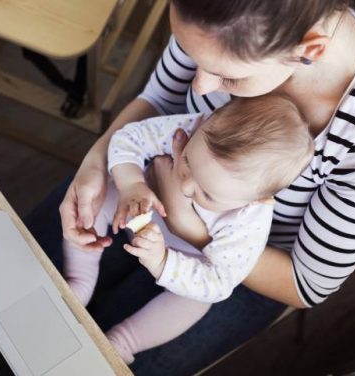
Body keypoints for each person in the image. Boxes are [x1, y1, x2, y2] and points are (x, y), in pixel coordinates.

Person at [24, 0, 355, 374]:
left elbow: (306, 283)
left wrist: (188, 224)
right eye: (190, 54)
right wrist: (95, 161)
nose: (200, 86)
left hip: (244, 262)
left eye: (228, 76)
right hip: (147, 179)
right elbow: (158, 100)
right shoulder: (216, 12)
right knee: (21, 285)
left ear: (308, 50)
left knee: (92, 364)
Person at [63, 94, 314, 363]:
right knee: (97, 201)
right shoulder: (195, 127)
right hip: (137, 206)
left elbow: (219, 281)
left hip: (186, 258)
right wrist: (131, 185)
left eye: (207, 194)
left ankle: (124, 342)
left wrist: (163, 262)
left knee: (197, 301)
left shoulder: (250, 220)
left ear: (255, 200)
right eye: (188, 163)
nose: (184, 187)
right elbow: (128, 139)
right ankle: (80, 279)